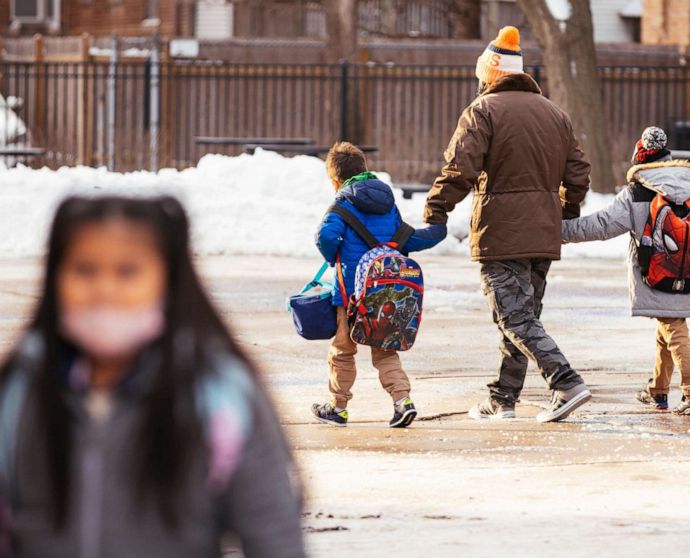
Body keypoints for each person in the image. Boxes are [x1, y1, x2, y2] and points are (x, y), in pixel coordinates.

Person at [0, 196, 305, 557]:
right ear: (55, 277)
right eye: (84, 269)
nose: (104, 289)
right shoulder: (19, 392)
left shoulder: (219, 394)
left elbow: (273, 532)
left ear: (168, 280)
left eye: (127, 271)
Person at [423, 26, 593, 423]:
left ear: (492, 73)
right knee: (522, 318)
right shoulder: (555, 113)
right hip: (542, 235)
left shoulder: (482, 111)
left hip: (501, 233)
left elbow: (459, 168)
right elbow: (580, 173)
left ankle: (565, 380)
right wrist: (563, 213)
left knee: (513, 317)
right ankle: (502, 397)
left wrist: (436, 210)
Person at [562, 127, 690, 415]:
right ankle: (658, 391)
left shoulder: (636, 193)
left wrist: (558, 231)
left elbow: (600, 225)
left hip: (657, 277)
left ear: (639, 157)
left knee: (674, 330)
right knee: (666, 331)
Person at [311, 142, 445, 428]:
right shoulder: (387, 204)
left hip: (351, 296)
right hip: (386, 292)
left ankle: (338, 407)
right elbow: (406, 238)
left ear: (336, 181)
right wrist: (438, 228)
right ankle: (402, 401)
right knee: (385, 350)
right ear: (364, 169)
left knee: (342, 351)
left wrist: (333, 255)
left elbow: (325, 236)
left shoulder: (341, 204)